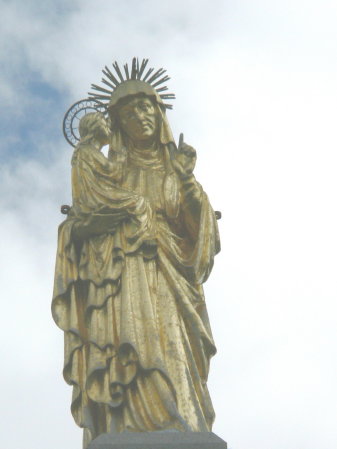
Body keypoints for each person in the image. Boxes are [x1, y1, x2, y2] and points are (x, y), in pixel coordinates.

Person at [52, 79, 220, 448]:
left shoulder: (175, 171)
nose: (140, 116)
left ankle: (183, 420)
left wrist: (189, 181)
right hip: (123, 273)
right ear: (117, 124)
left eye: (147, 108)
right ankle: (129, 420)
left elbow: (201, 234)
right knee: (131, 348)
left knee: (174, 351)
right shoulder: (108, 171)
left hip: (171, 278)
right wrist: (99, 225)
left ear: (159, 115)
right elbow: (77, 227)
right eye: (129, 112)